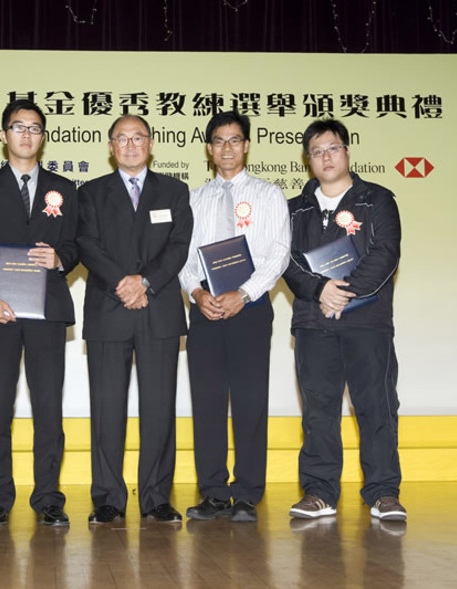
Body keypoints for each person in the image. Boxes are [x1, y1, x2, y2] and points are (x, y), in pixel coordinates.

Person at [0, 99, 78, 528]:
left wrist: (60, 259)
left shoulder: (65, 189)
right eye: (18, 127)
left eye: (34, 128)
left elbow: (76, 244)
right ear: (4, 135)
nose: (26, 134)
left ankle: (48, 496)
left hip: (46, 311)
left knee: (48, 407)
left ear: (43, 137)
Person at [283, 118, 406, 522]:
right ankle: (319, 493)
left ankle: (383, 493)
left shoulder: (378, 199)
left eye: (332, 148)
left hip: (367, 323)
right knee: (319, 411)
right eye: (317, 152)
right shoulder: (293, 209)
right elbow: (285, 261)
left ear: (347, 151)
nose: (326, 157)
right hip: (313, 324)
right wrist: (321, 291)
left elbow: (385, 252)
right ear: (308, 160)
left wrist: (344, 292)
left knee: (376, 407)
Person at [77, 114, 193, 524]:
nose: (130, 145)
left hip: (158, 309)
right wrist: (123, 284)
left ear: (151, 142)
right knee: (107, 408)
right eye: (121, 138)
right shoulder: (90, 192)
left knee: (159, 407)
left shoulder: (175, 190)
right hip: (109, 310)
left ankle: (156, 497)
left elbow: (180, 245)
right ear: (110, 146)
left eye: (137, 137)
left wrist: (145, 283)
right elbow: (86, 244)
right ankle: (108, 498)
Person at [178, 111, 291, 522]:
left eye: (235, 140)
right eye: (219, 141)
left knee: (248, 401)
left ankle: (246, 492)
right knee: (207, 402)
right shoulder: (194, 198)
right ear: (209, 149)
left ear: (246, 145)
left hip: (250, 309)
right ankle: (212, 492)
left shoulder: (268, 194)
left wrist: (243, 294)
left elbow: (278, 253)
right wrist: (196, 291)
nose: (227, 147)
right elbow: (183, 257)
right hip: (205, 309)